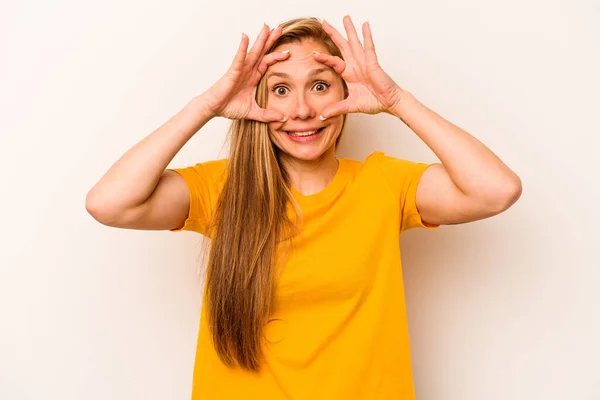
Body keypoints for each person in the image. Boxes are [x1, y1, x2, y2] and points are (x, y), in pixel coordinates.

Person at [86, 15, 522, 400]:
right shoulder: (221, 188)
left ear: (345, 93)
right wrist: (206, 106)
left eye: (319, 85)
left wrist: (396, 101)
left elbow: (496, 190)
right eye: (280, 90)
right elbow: (109, 204)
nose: (302, 110)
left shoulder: (384, 183)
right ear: (258, 102)